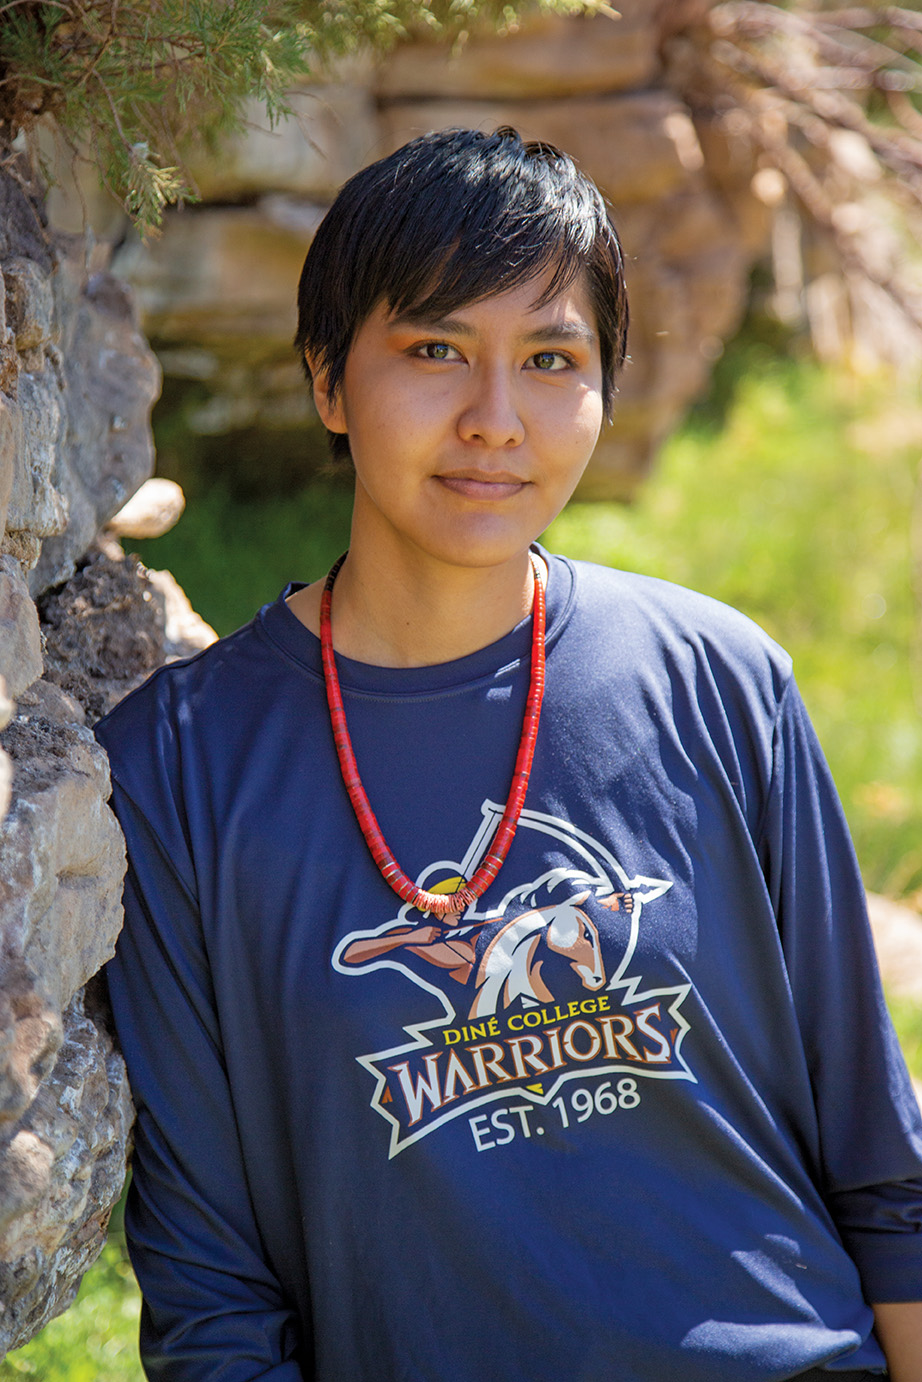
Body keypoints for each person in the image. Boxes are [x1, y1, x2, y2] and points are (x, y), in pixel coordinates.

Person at [96, 126, 922, 1381]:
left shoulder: (716, 677)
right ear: (328, 380)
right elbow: (212, 1299)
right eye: (434, 350)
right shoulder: (177, 766)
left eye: (550, 358)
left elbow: (881, 1160)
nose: (496, 420)